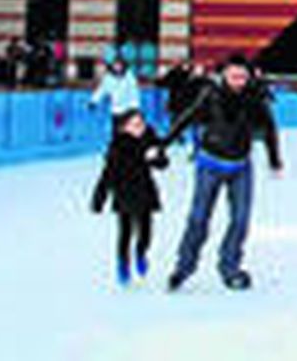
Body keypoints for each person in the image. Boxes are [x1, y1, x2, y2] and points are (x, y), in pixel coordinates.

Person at [158, 54, 282, 292]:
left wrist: (274, 160)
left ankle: (230, 268)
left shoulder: (255, 98)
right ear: (224, 75)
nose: (238, 81)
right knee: (199, 218)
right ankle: (183, 268)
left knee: (240, 220)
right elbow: (187, 118)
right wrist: (164, 143)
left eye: (242, 77)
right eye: (233, 76)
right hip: (210, 164)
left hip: (240, 166)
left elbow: (269, 128)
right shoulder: (211, 94)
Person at [91, 108, 169, 286]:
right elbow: (108, 174)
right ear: (124, 128)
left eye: (141, 124)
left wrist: (155, 157)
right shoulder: (117, 147)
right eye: (134, 125)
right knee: (125, 232)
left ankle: (141, 253)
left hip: (144, 191)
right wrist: (99, 198)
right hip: (124, 192)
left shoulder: (149, 140)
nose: (139, 128)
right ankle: (123, 263)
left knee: (146, 231)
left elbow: (163, 164)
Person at [89, 57, 142, 134]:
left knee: (129, 130)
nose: (117, 67)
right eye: (115, 65)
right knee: (116, 131)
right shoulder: (108, 78)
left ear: (123, 66)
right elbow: (102, 90)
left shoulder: (129, 76)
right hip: (116, 109)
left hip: (128, 108)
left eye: (119, 65)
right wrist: (94, 101)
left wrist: (135, 105)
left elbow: (134, 91)